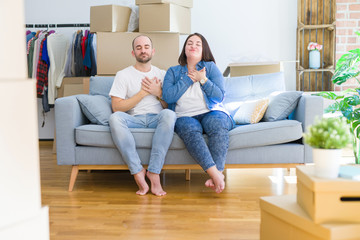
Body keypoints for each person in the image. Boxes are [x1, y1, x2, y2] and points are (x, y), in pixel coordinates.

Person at [162, 33, 234, 194]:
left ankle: (217, 173)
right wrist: (189, 79)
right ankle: (215, 174)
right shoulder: (173, 72)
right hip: (184, 116)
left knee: (218, 124)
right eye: (189, 43)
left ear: (203, 50)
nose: (193, 46)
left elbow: (219, 96)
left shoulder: (211, 68)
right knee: (188, 129)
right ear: (185, 49)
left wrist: (203, 79)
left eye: (198, 44)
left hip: (211, 112)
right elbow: (168, 96)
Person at [109, 35, 176, 196]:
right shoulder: (123, 75)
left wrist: (158, 92)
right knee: (114, 119)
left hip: (157, 118)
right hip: (134, 120)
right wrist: (142, 94)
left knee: (169, 114)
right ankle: (137, 171)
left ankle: (153, 172)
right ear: (133, 53)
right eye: (139, 47)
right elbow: (116, 107)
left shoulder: (163, 74)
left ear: (153, 51)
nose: (143, 50)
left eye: (146, 47)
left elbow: (171, 106)